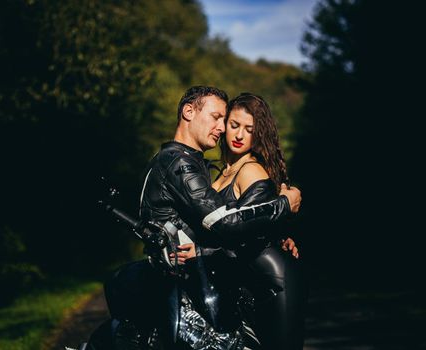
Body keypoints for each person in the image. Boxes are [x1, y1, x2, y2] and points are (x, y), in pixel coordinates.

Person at [104, 86, 302, 347]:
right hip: (216, 280)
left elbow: (242, 229)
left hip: (262, 277)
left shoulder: (247, 170)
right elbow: (227, 223)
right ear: (189, 112)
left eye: (249, 129)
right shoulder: (199, 168)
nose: (225, 129)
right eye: (226, 121)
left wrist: (281, 216)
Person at [178, 92, 307, 349]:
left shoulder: (251, 170)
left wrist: (199, 251)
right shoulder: (222, 172)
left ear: (258, 134)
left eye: (249, 129)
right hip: (242, 279)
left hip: (269, 279)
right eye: (234, 125)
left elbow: (246, 233)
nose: (239, 135)